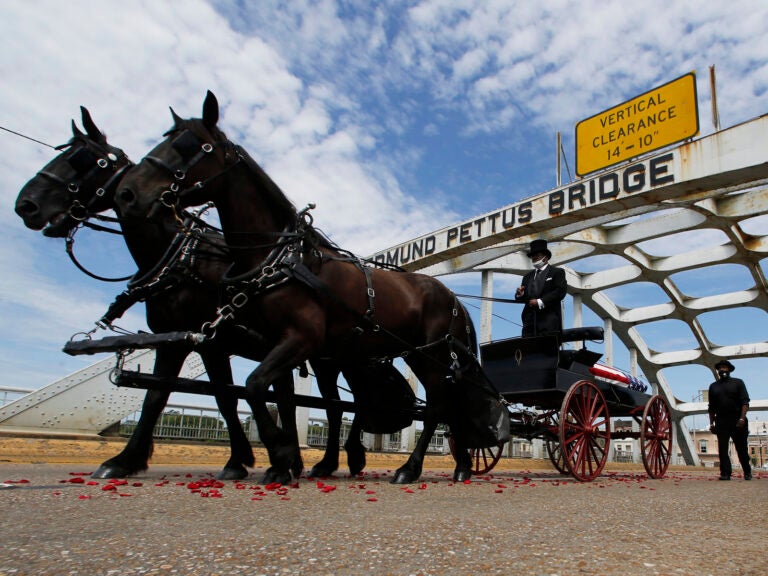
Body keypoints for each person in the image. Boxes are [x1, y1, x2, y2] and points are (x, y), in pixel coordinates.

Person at [708, 359, 752, 481]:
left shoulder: (738, 383)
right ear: (718, 371)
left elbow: (745, 402)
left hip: (738, 420)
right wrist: (711, 423)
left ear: (729, 369)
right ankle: (725, 473)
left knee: (741, 448)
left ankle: (747, 471)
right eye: (720, 368)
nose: (722, 370)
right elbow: (711, 407)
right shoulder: (713, 386)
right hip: (721, 421)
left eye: (725, 367)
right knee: (722, 449)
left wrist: (742, 418)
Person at [514, 239, 567, 337]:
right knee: (528, 351)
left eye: (536, 255)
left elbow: (560, 292)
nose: (534, 258)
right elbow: (525, 298)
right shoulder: (527, 277)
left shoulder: (557, 272)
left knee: (547, 351)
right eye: (532, 256)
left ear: (545, 257)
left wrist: (540, 302)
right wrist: (520, 295)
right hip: (528, 326)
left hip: (549, 325)